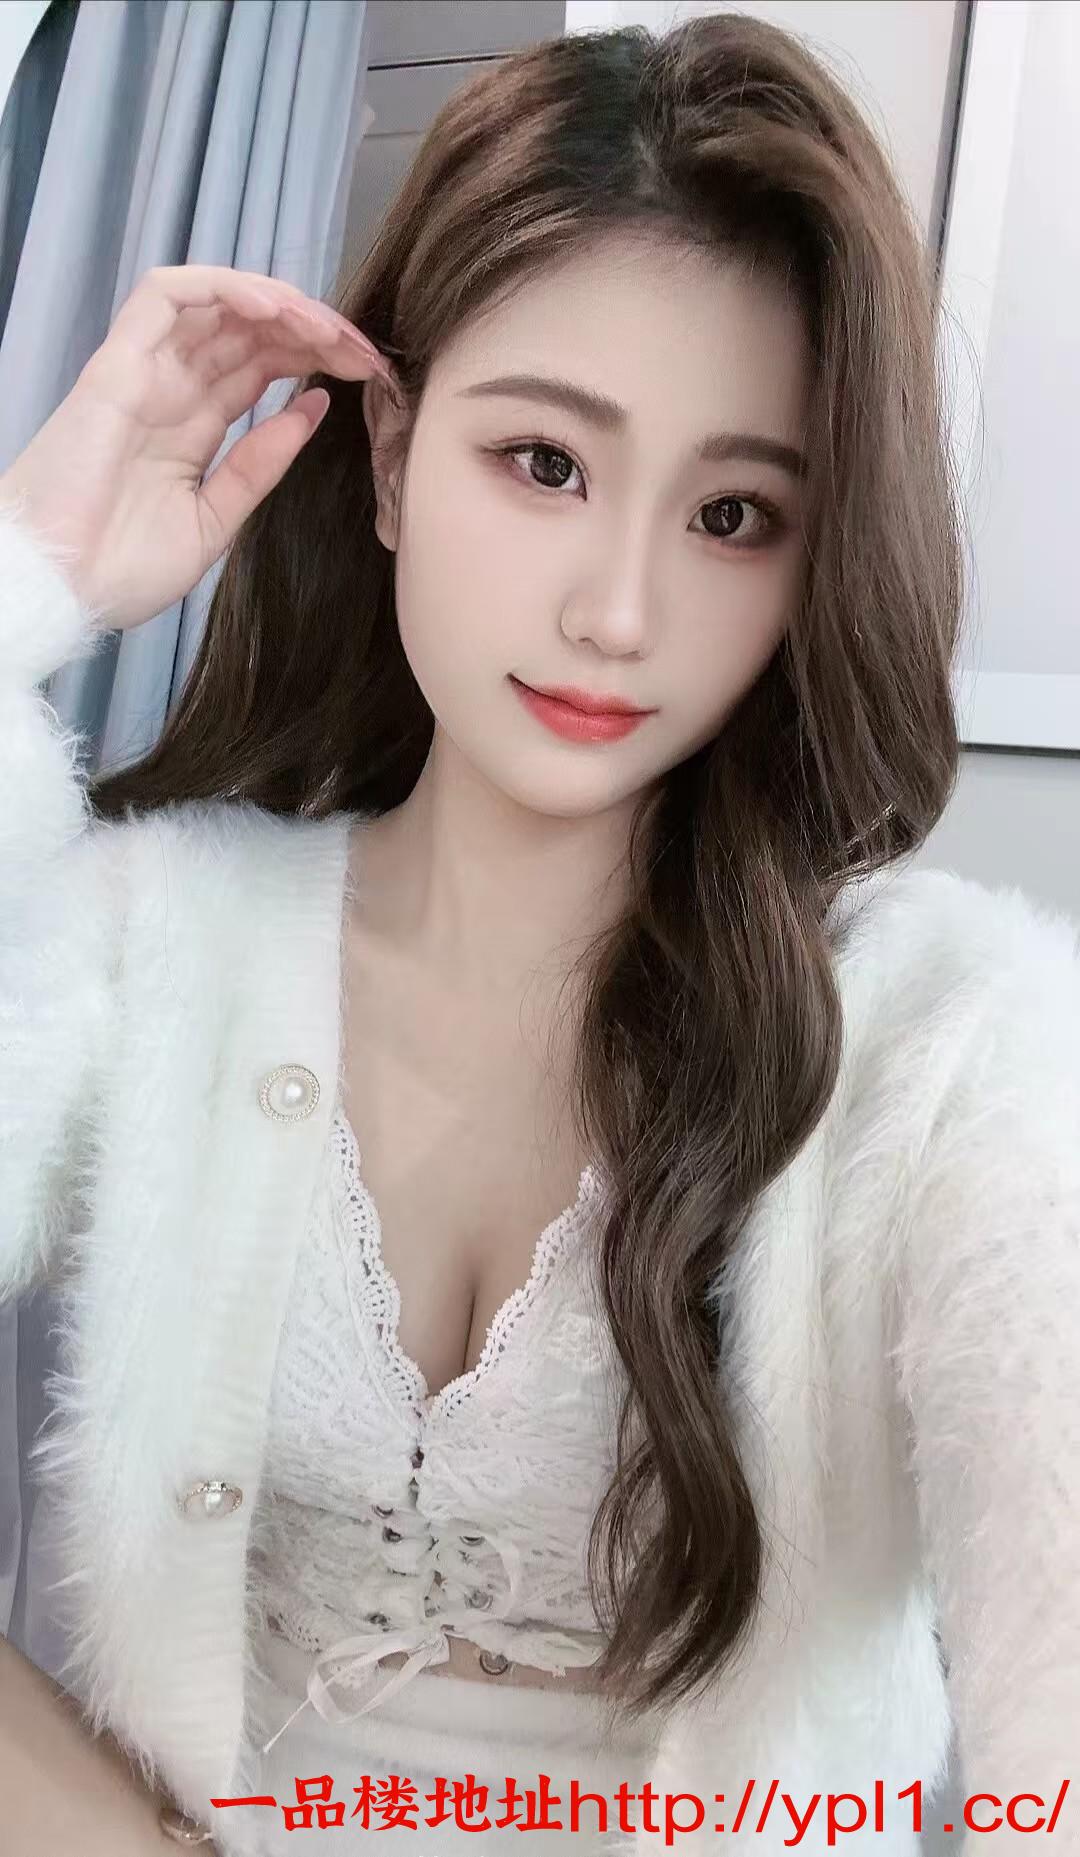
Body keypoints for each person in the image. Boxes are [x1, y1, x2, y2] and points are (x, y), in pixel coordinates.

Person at [1, 11, 1078, 1857]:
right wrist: (28, 576)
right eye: (546, 464)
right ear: (394, 456)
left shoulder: (946, 1044)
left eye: (734, 514)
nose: (620, 611)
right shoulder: (143, 944)